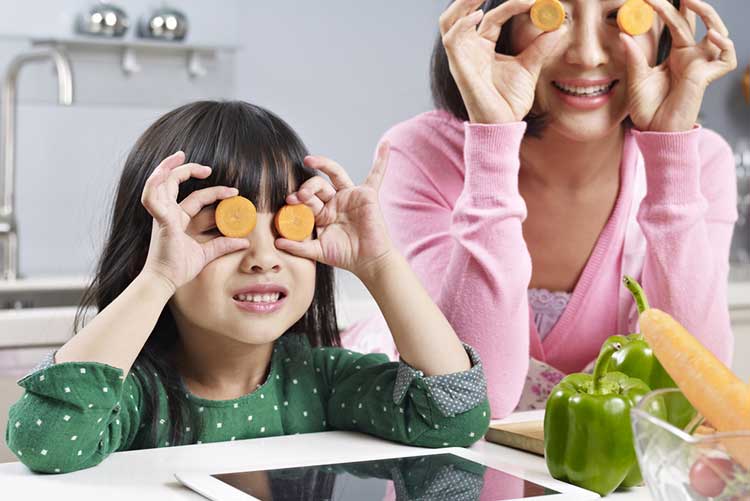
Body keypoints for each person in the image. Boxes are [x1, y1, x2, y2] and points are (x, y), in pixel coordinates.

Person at [5, 101, 490, 474]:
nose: (263, 257)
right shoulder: (135, 395)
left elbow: (454, 416)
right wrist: (157, 279)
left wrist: (380, 264)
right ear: (151, 249)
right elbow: (45, 441)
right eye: (221, 228)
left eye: (288, 224)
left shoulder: (323, 381)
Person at [342, 0, 738, 416]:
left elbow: (702, 398)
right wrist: (492, 138)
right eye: (548, 13)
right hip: (432, 460)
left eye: (621, 15)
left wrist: (669, 155)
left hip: (600, 478)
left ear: (666, 29)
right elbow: (474, 398)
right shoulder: (421, 153)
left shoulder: (701, 162)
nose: (587, 55)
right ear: (499, 22)